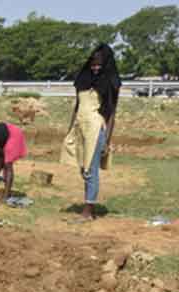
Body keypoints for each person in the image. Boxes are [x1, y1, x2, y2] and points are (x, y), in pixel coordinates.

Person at [61, 44, 121, 222]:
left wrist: (108, 141)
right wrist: (70, 129)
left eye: (99, 65)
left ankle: (88, 211)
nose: (95, 68)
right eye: (93, 64)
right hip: (80, 126)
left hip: (95, 127)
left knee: (90, 170)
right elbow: (77, 106)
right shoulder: (83, 80)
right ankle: (89, 204)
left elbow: (111, 113)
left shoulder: (110, 82)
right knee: (82, 167)